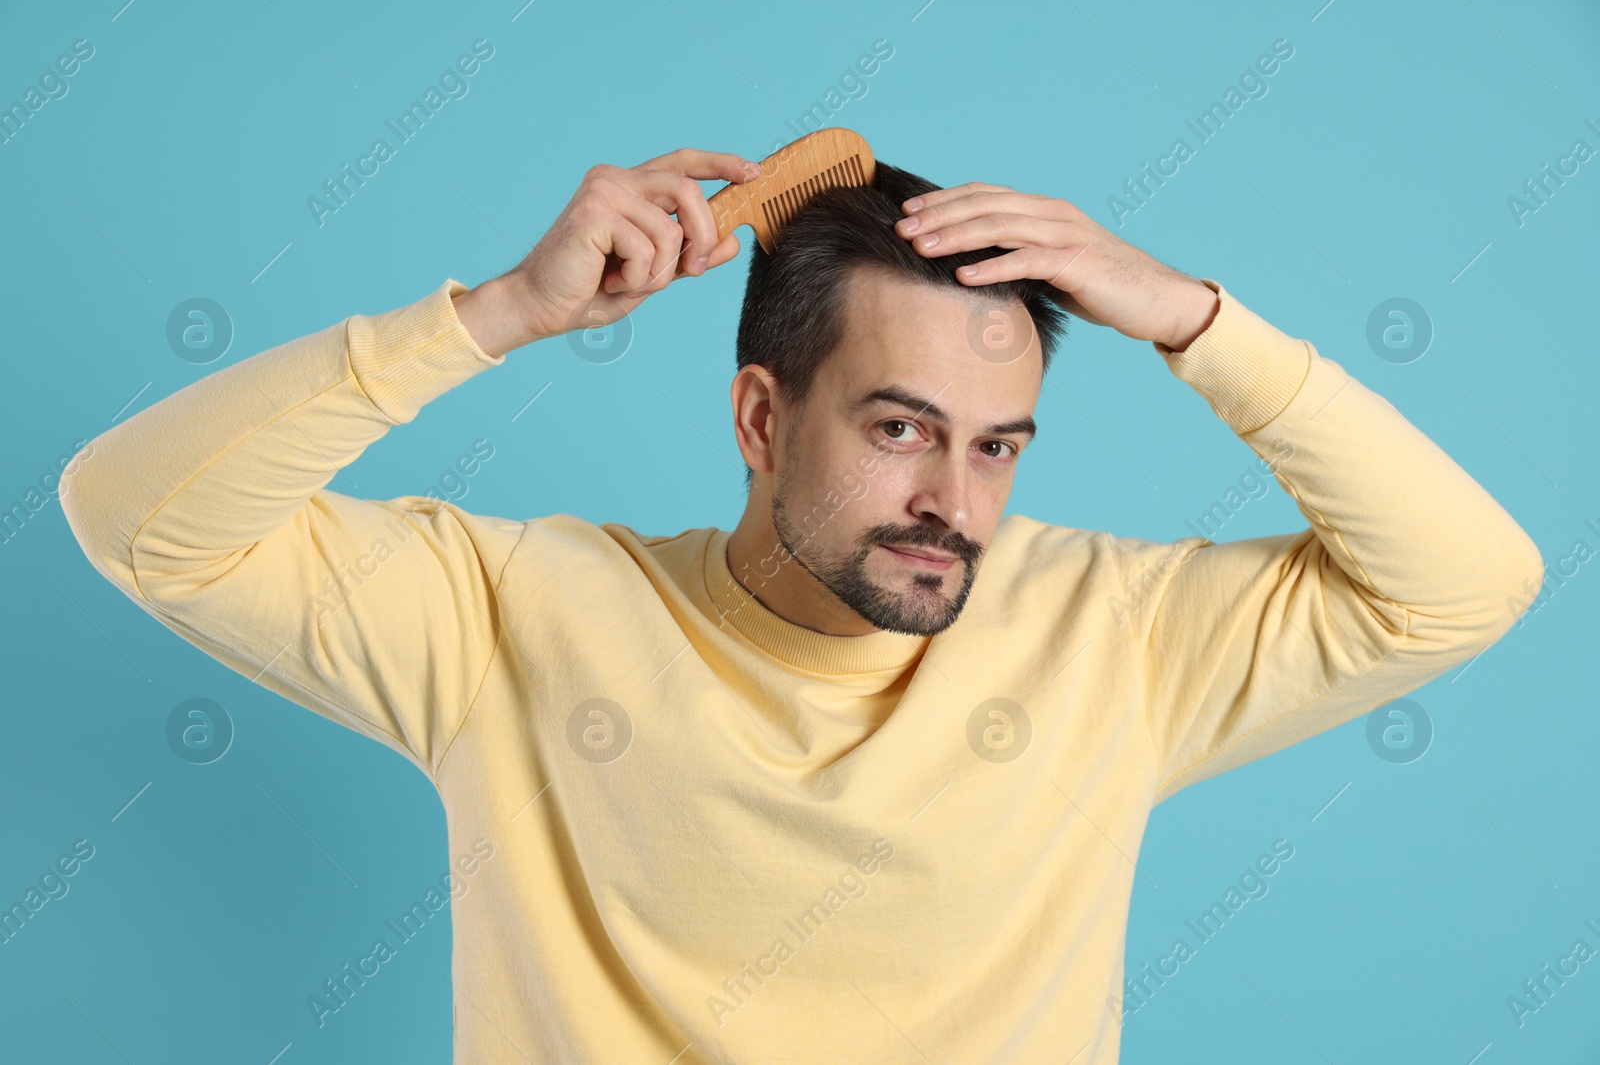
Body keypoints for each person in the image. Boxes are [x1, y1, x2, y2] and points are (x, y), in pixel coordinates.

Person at [60, 145, 1542, 1063]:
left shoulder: (1116, 634)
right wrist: (501, 314)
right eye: (900, 430)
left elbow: (1470, 583)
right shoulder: (510, 617)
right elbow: (141, 519)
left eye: (997, 446)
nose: (955, 507)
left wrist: (1195, 322)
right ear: (762, 418)